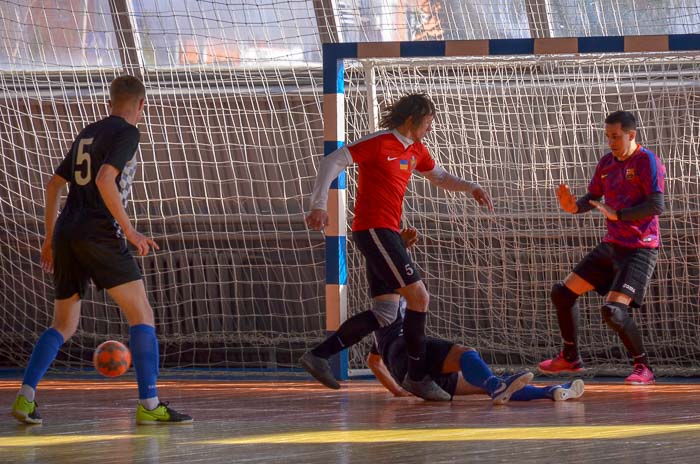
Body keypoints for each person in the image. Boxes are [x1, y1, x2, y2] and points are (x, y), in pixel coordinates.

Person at [10, 75, 192, 425]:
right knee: (142, 315)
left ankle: (26, 396)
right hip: (99, 231)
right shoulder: (127, 132)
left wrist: (49, 238)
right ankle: (150, 405)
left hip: (66, 233)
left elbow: (53, 186)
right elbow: (105, 179)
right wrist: (130, 230)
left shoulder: (87, 132)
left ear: (110, 101)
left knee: (63, 324)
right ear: (141, 104)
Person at [302, 93, 493, 401]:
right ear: (410, 121)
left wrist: (471, 187)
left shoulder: (416, 150)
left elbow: (440, 177)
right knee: (419, 296)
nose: (430, 128)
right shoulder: (380, 142)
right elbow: (332, 160)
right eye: (428, 123)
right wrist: (319, 205)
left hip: (388, 232)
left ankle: (319, 355)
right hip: (373, 229)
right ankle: (417, 377)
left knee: (386, 312)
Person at [539, 110, 665, 385]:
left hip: (640, 248)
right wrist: (574, 207)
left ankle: (644, 367)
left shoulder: (647, 161)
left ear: (631, 135)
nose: (611, 142)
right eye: (608, 136)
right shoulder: (607, 163)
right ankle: (570, 358)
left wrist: (617, 215)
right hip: (612, 245)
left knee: (613, 312)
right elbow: (593, 198)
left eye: (616, 136)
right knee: (562, 293)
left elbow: (657, 205)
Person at [367, 303, 584, 404]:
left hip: (407, 369)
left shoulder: (381, 324)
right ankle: (497, 387)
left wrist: (398, 390)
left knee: (487, 384)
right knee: (466, 354)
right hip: (409, 353)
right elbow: (387, 269)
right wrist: (400, 246)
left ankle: (551, 391)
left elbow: (374, 362)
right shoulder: (388, 301)